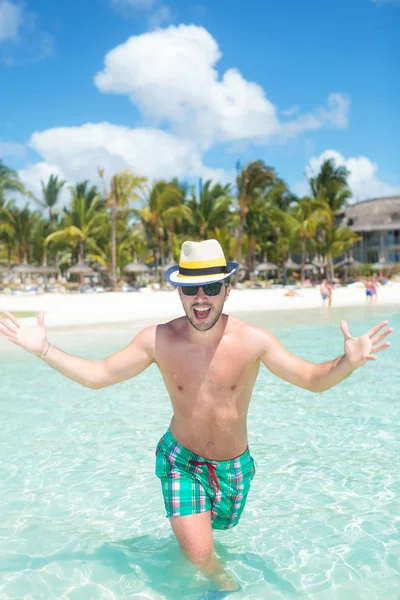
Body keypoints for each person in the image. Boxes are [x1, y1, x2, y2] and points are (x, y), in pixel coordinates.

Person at [0, 240, 393, 597]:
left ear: (227, 289)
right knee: (203, 558)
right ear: (179, 292)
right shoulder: (158, 340)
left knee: (214, 537)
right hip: (180, 461)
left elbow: (311, 379)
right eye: (190, 288)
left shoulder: (253, 340)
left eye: (210, 287)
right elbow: (97, 376)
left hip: (234, 468)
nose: (200, 298)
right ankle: (228, 589)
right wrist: (45, 349)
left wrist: (348, 363)